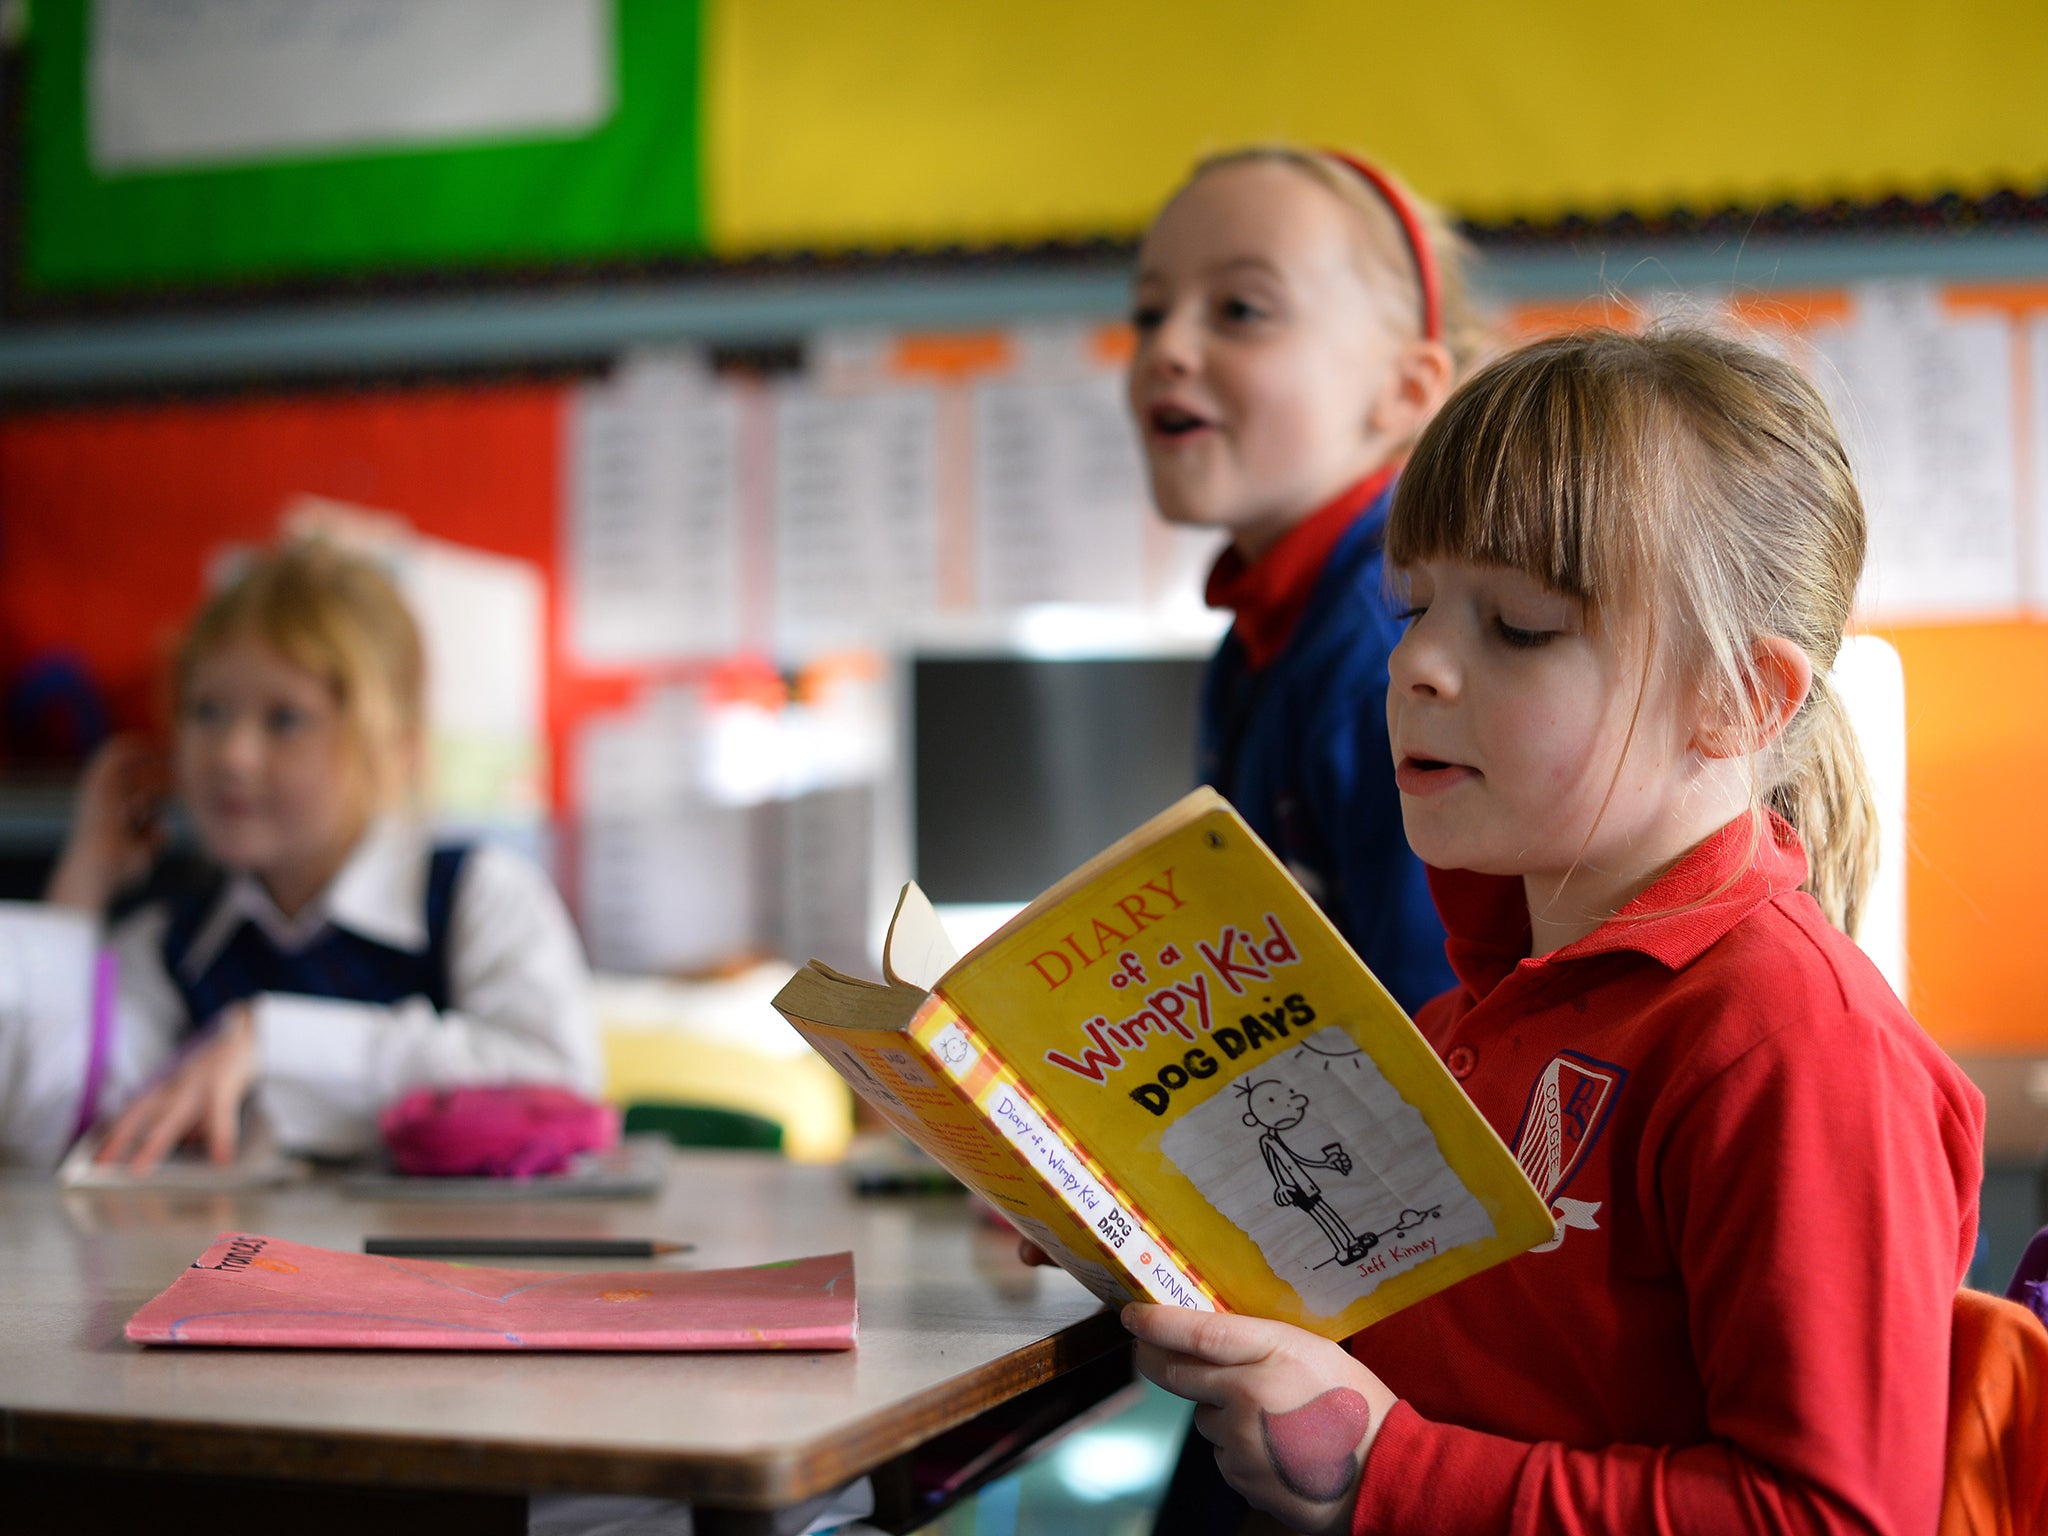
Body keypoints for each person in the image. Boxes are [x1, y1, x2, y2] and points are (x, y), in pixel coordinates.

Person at [1122, 327, 1985, 1535]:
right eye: (1410, 605)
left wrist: (1387, 1474)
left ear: (1735, 699)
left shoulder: (1787, 1046)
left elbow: (1830, 1516)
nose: (1415, 663)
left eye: (1517, 627)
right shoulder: (1466, 1016)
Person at [46, 538, 601, 1170]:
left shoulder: (478, 895)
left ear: (395, 748)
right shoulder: (173, 941)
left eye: (285, 719)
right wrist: (84, 875)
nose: (231, 754)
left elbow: (562, 1089)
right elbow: (56, 1106)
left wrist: (272, 1041)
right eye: (207, 711)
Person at [1127, 145, 1487, 1015]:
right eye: (1148, 313)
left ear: (1405, 392)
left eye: (1241, 310)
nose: (1166, 348)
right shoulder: (1259, 634)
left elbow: (1433, 1034)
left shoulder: (1396, 639)